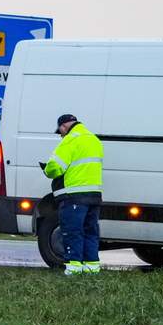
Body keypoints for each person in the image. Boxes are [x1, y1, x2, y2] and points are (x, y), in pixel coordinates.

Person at [43, 113, 104, 275]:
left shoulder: (70, 140)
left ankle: (74, 267)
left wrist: (47, 170)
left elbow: (55, 167)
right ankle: (92, 266)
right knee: (91, 230)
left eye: (60, 131)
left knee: (72, 231)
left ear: (64, 126)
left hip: (75, 195)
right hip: (95, 195)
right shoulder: (93, 139)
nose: (61, 135)